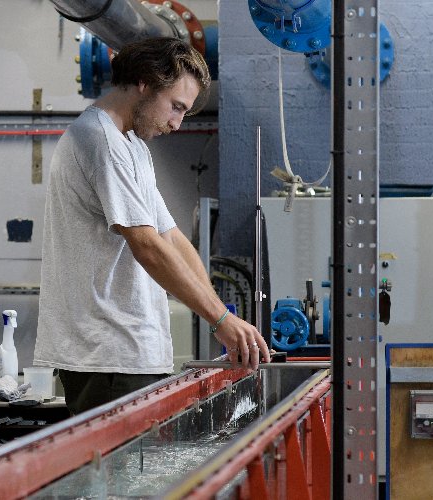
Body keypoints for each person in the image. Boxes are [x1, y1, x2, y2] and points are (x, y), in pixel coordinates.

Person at [33, 37, 270, 416]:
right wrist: (221, 319)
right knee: (116, 475)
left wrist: (220, 318)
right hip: (107, 355)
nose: (176, 123)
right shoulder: (99, 140)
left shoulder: (132, 146)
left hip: (130, 353)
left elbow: (170, 237)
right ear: (145, 81)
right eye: (175, 107)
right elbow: (146, 245)